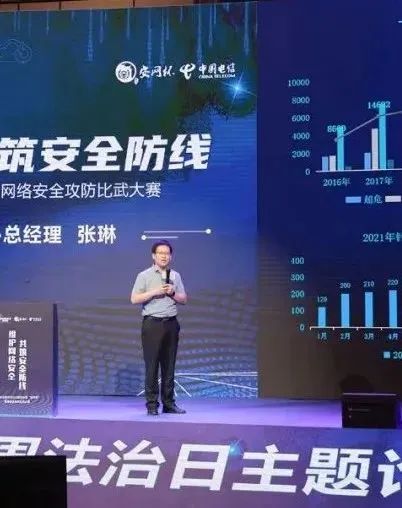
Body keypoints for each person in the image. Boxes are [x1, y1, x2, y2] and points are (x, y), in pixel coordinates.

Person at [131, 240, 187, 415]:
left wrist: (172, 292)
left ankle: (169, 404)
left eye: (167, 253)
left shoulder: (175, 275)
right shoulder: (144, 275)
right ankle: (152, 405)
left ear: (171, 256)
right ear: (153, 256)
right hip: (152, 323)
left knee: (169, 366)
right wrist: (155, 292)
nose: (164, 256)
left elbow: (184, 299)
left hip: (171, 323)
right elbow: (134, 298)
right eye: (161, 253)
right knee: (152, 365)